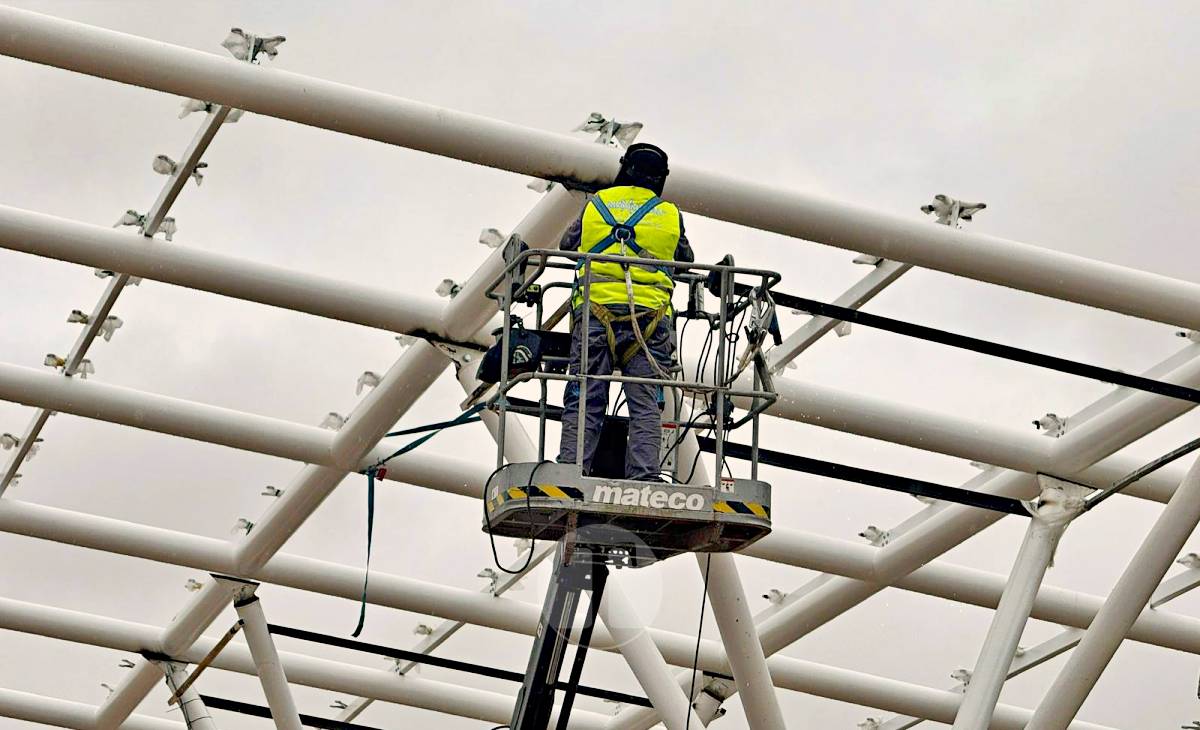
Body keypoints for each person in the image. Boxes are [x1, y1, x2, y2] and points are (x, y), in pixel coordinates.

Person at [557, 143, 693, 481]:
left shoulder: (596, 205)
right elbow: (685, 259)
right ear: (661, 179)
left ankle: (572, 470)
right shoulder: (669, 214)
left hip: (595, 315)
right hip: (649, 320)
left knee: (585, 396)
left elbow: (567, 245)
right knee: (646, 403)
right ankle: (644, 476)